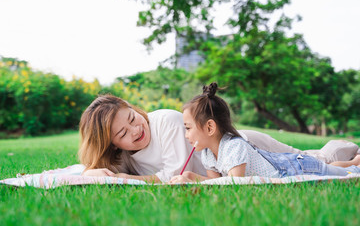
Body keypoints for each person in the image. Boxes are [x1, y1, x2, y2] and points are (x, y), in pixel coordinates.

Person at [79, 93, 359, 183]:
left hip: (249, 148)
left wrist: (128, 179)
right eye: (123, 133)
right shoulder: (123, 156)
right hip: (223, 163)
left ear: (133, 108)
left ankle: (353, 156)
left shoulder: (164, 120)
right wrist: (101, 173)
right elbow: (97, 173)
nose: (136, 129)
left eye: (132, 118)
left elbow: (176, 172)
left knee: (312, 160)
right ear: (112, 143)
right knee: (308, 159)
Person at [169, 83, 360, 184]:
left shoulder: (234, 147)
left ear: (210, 128)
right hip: (290, 165)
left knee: (342, 173)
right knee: (331, 167)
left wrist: (194, 180)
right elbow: (215, 182)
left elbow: (234, 184)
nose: (186, 135)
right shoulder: (208, 153)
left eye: (188, 128)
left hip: (296, 168)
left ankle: (354, 164)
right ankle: (354, 161)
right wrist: (191, 177)